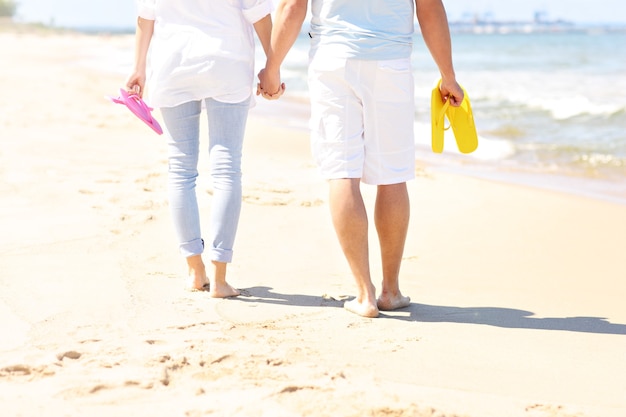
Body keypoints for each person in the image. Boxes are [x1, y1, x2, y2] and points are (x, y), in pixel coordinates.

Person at [257, 0, 464, 317]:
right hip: (390, 60)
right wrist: (447, 75)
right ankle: (390, 291)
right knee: (392, 175)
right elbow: (430, 8)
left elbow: (292, 5)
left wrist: (272, 67)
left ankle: (364, 294)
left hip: (333, 61)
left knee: (342, 172)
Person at [126, 0, 283, 297]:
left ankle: (195, 271)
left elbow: (145, 16)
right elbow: (259, 15)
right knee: (226, 170)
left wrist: (138, 69)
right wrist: (272, 67)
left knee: (181, 171)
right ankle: (220, 278)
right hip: (227, 63)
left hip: (173, 66)